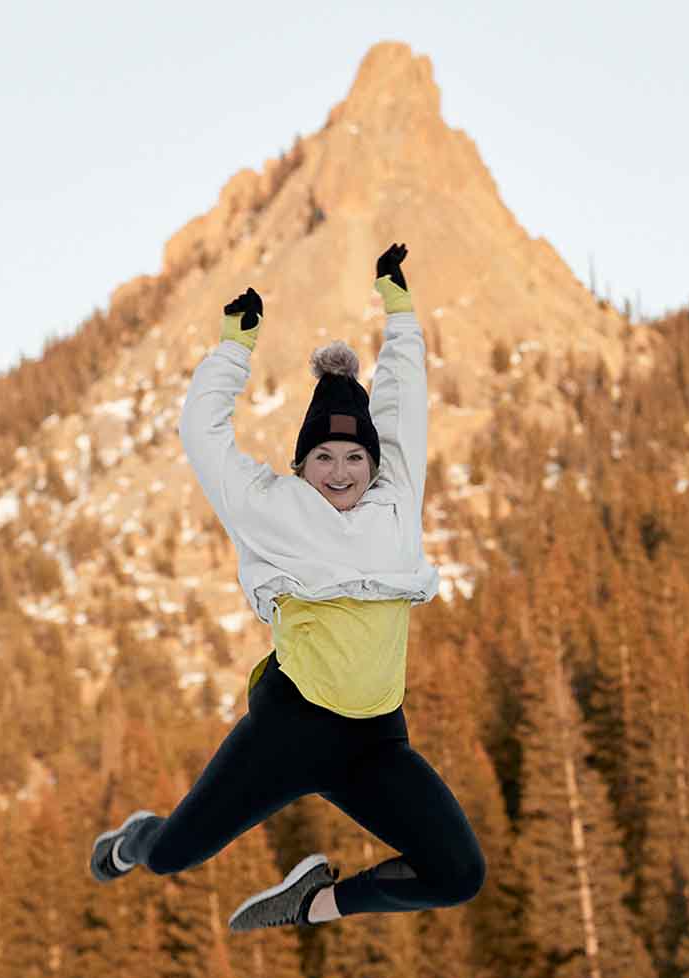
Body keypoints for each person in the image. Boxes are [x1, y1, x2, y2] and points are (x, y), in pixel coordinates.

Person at [89, 243, 486, 932]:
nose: (340, 471)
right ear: (302, 463)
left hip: (376, 742)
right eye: (324, 457)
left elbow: (403, 404)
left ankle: (314, 904)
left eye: (354, 457)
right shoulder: (271, 508)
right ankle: (136, 841)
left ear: (373, 462)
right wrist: (232, 352)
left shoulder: (395, 503)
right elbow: (203, 437)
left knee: (458, 875)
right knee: (176, 854)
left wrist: (400, 313)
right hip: (292, 731)